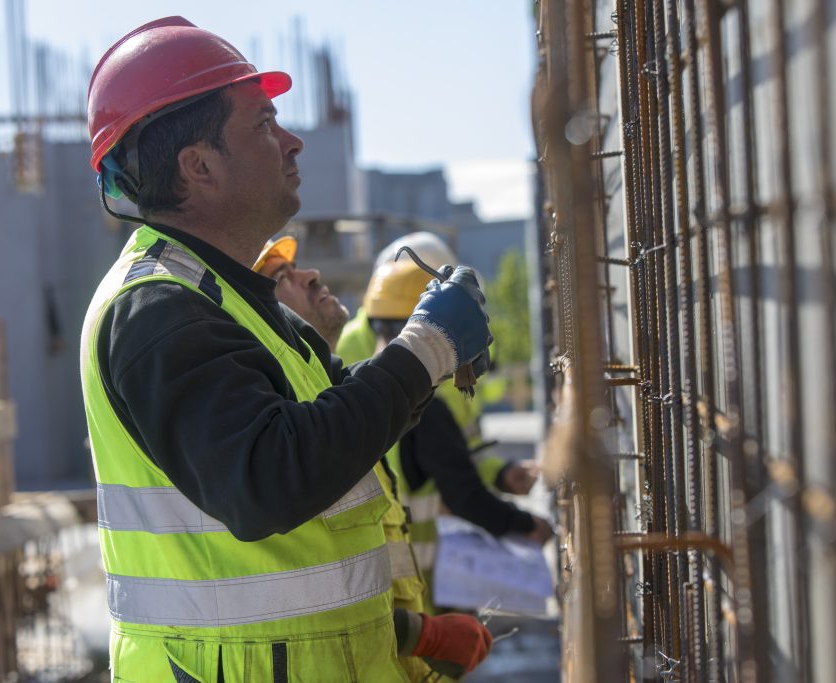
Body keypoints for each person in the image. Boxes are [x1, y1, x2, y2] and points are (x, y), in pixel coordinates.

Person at [80, 17, 494, 681]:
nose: (292, 141)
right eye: (264, 124)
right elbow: (269, 478)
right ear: (199, 166)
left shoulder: (241, 306)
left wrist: (415, 632)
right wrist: (426, 347)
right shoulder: (156, 310)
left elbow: (328, 443)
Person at [253, 237, 437, 681]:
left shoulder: (332, 399)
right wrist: (421, 635)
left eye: (296, 266)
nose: (311, 275)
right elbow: (306, 592)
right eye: (282, 277)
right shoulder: (292, 430)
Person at [338, 255, 555, 613]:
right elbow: (461, 490)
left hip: (371, 597)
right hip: (425, 593)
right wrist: (524, 524)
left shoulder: (349, 394)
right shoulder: (423, 405)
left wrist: (499, 474)